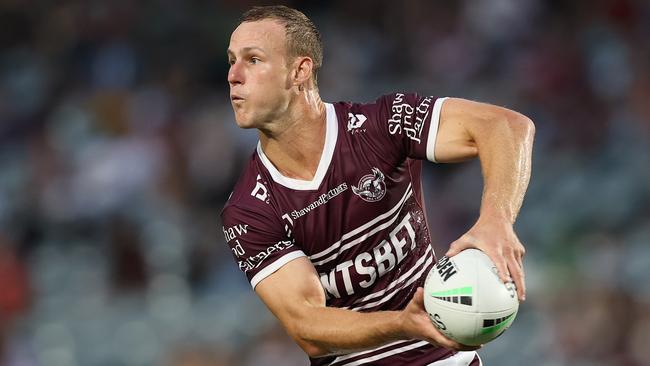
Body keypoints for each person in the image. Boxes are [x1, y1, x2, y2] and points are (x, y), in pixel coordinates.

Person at [221, 5, 534, 366]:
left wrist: (496, 220)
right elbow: (307, 327)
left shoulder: (379, 126)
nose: (233, 75)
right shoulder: (248, 210)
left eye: (253, 59)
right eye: (231, 61)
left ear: (300, 71)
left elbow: (507, 127)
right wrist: (404, 324)